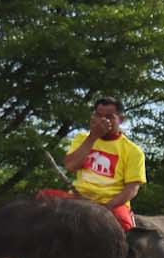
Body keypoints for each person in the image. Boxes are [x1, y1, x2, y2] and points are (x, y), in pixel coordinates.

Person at [57, 97, 146, 229]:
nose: (103, 121)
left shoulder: (133, 151)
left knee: (125, 226)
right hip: (78, 198)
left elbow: (132, 189)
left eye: (109, 117)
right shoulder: (82, 138)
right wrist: (93, 137)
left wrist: (105, 208)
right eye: (99, 116)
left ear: (121, 119)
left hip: (112, 205)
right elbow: (70, 166)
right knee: (42, 200)